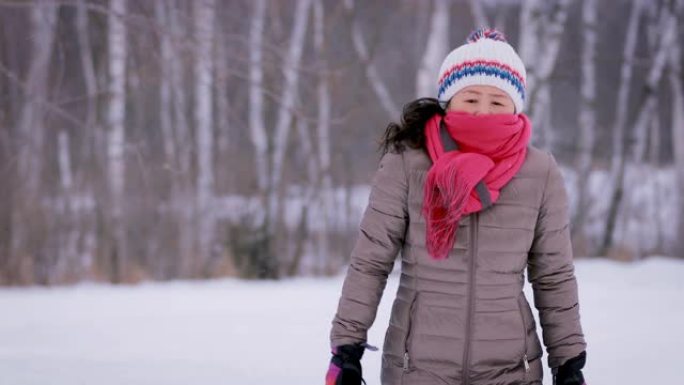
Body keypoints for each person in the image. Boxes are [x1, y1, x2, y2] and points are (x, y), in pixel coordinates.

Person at [325, 28, 588, 385]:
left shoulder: (540, 172)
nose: (482, 112)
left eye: (497, 101)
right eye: (470, 98)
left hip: (511, 369)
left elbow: (553, 274)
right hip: (416, 368)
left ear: (516, 105)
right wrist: (346, 348)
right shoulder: (407, 163)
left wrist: (569, 361)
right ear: (448, 100)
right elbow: (371, 262)